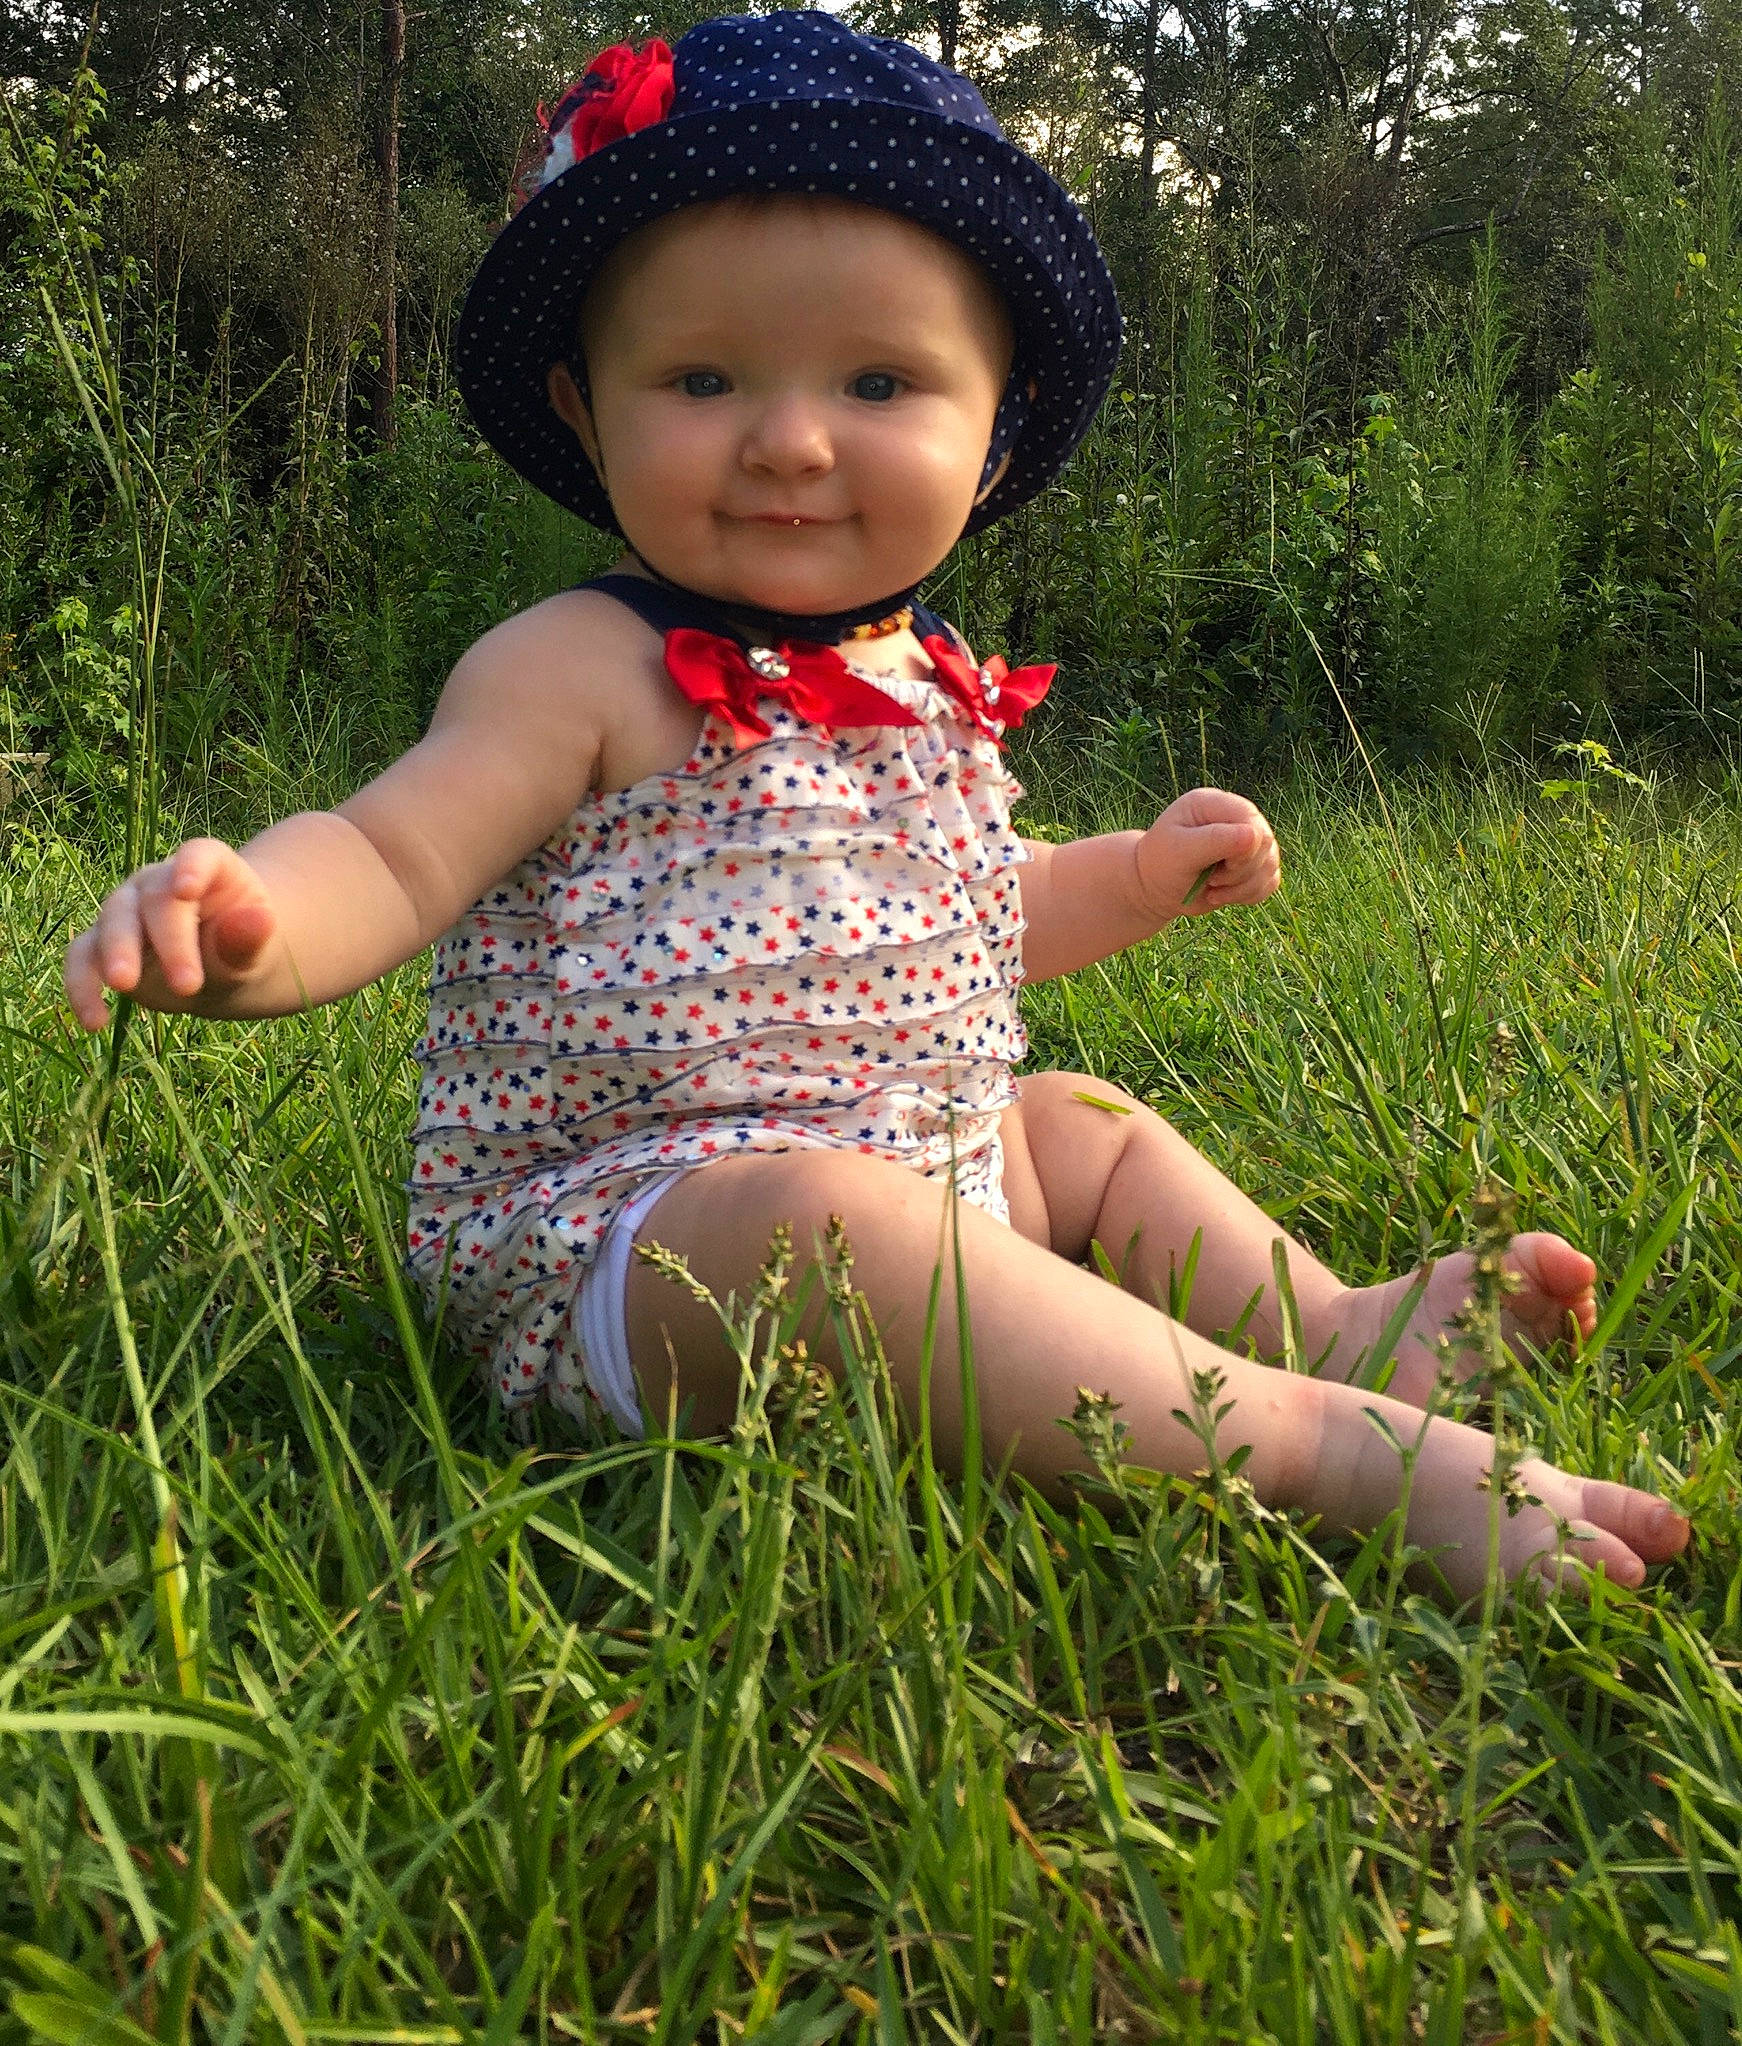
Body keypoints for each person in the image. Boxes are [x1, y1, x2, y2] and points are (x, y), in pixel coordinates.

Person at [63, 11, 1686, 1601]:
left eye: (879, 381)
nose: (787, 441)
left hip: (924, 1171)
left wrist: (1134, 871)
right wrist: (254, 926)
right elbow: (387, 849)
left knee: (1081, 1125)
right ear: (583, 405)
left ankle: (1326, 1317)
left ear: (989, 443)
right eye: (700, 377)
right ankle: (1328, 1448)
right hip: (632, 1243)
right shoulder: (578, 668)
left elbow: (962, 923)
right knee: (822, 1222)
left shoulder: (925, 678)